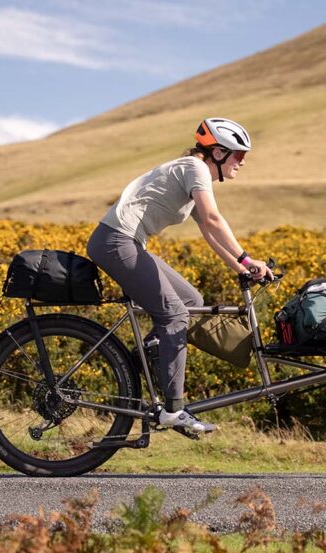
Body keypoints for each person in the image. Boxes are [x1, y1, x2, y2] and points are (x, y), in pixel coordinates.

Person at [87, 117, 274, 438]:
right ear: (216, 153)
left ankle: (147, 356)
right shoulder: (195, 169)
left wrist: (242, 269)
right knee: (175, 314)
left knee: (191, 301)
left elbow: (209, 232)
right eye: (238, 156)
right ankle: (173, 409)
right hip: (116, 241)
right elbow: (215, 219)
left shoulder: (194, 174)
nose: (241, 163)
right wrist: (244, 256)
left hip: (127, 242)